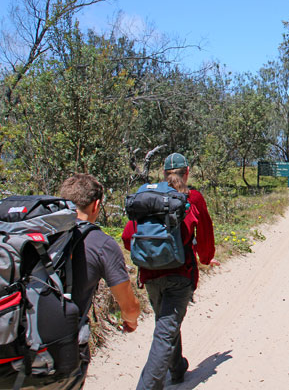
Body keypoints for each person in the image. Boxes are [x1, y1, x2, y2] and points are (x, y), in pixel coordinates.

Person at [122, 152, 217, 389]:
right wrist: (205, 258)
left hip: (150, 275)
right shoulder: (192, 197)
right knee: (165, 331)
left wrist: (149, 255)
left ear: (163, 173)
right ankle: (149, 386)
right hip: (180, 274)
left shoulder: (149, 197)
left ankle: (177, 369)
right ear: (187, 172)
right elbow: (204, 233)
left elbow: (126, 237)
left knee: (166, 323)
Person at [52, 173, 141, 389]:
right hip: (66, 346)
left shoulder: (39, 232)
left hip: (17, 340)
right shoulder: (102, 243)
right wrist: (131, 320)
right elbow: (128, 306)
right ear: (96, 205)